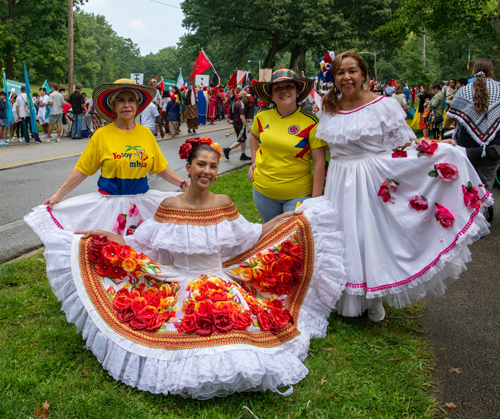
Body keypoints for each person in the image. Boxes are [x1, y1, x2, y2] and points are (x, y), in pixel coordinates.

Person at [30, 137, 347, 398]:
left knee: (238, 328)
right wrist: (106, 236)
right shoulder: (169, 205)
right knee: (178, 326)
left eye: (212, 166)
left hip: (220, 279)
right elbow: (141, 243)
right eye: (201, 165)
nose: (207, 171)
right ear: (189, 167)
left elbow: (251, 234)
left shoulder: (223, 201)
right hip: (177, 280)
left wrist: (289, 219)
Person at [315, 50, 492, 322]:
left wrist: (437, 147)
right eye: (340, 72)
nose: (347, 77)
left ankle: (375, 297)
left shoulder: (383, 105)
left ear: (363, 74)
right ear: (333, 77)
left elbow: (404, 144)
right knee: (344, 237)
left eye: (352, 71)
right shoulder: (328, 108)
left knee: (370, 237)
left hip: (372, 179)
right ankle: (346, 297)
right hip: (339, 179)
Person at [25, 79, 189, 238]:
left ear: (137, 105)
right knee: (110, 257)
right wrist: (58, 195)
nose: (126, 105)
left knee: (141, 256)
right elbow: (83, 170)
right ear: (113, 106)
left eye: (131, 100)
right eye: (120, 100)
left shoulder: (146, 134)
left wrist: (182, 184)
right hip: (109, 208)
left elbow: (160, 167)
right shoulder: (102, 135)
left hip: (142, 207)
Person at [249, 69, 326, 222]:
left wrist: (316, 200)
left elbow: (319, 162)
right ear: (271, 95)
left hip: (299, 194)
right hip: (263, 192)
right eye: (277, 88)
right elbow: (253, 136)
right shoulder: (261, 118)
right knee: (272, 239)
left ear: (298, 92)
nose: (283, 91)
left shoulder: (311, 122)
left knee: (294, 242)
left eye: (289, 86)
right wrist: (254, 161)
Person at [447, 58, 500, 222]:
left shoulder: (463, 91)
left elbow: (450, 116)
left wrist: (445, 127)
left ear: (473, 72)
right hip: (494, 144)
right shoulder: (499, 89)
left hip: (466, 144)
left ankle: (468, 217)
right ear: (492, 72)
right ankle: (482, 217)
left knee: (467, 180)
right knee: (486, 182)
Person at [223, 91, 252, 161]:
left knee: (243, 139)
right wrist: (247, 126)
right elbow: (242, 116)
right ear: (243, 97)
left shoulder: (236, 103)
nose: (247, 98)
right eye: (246, 96)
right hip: (240, 124)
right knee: (240, 140)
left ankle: (243, 154)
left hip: (236, 123)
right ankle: (228, 149)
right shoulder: (241, 105)